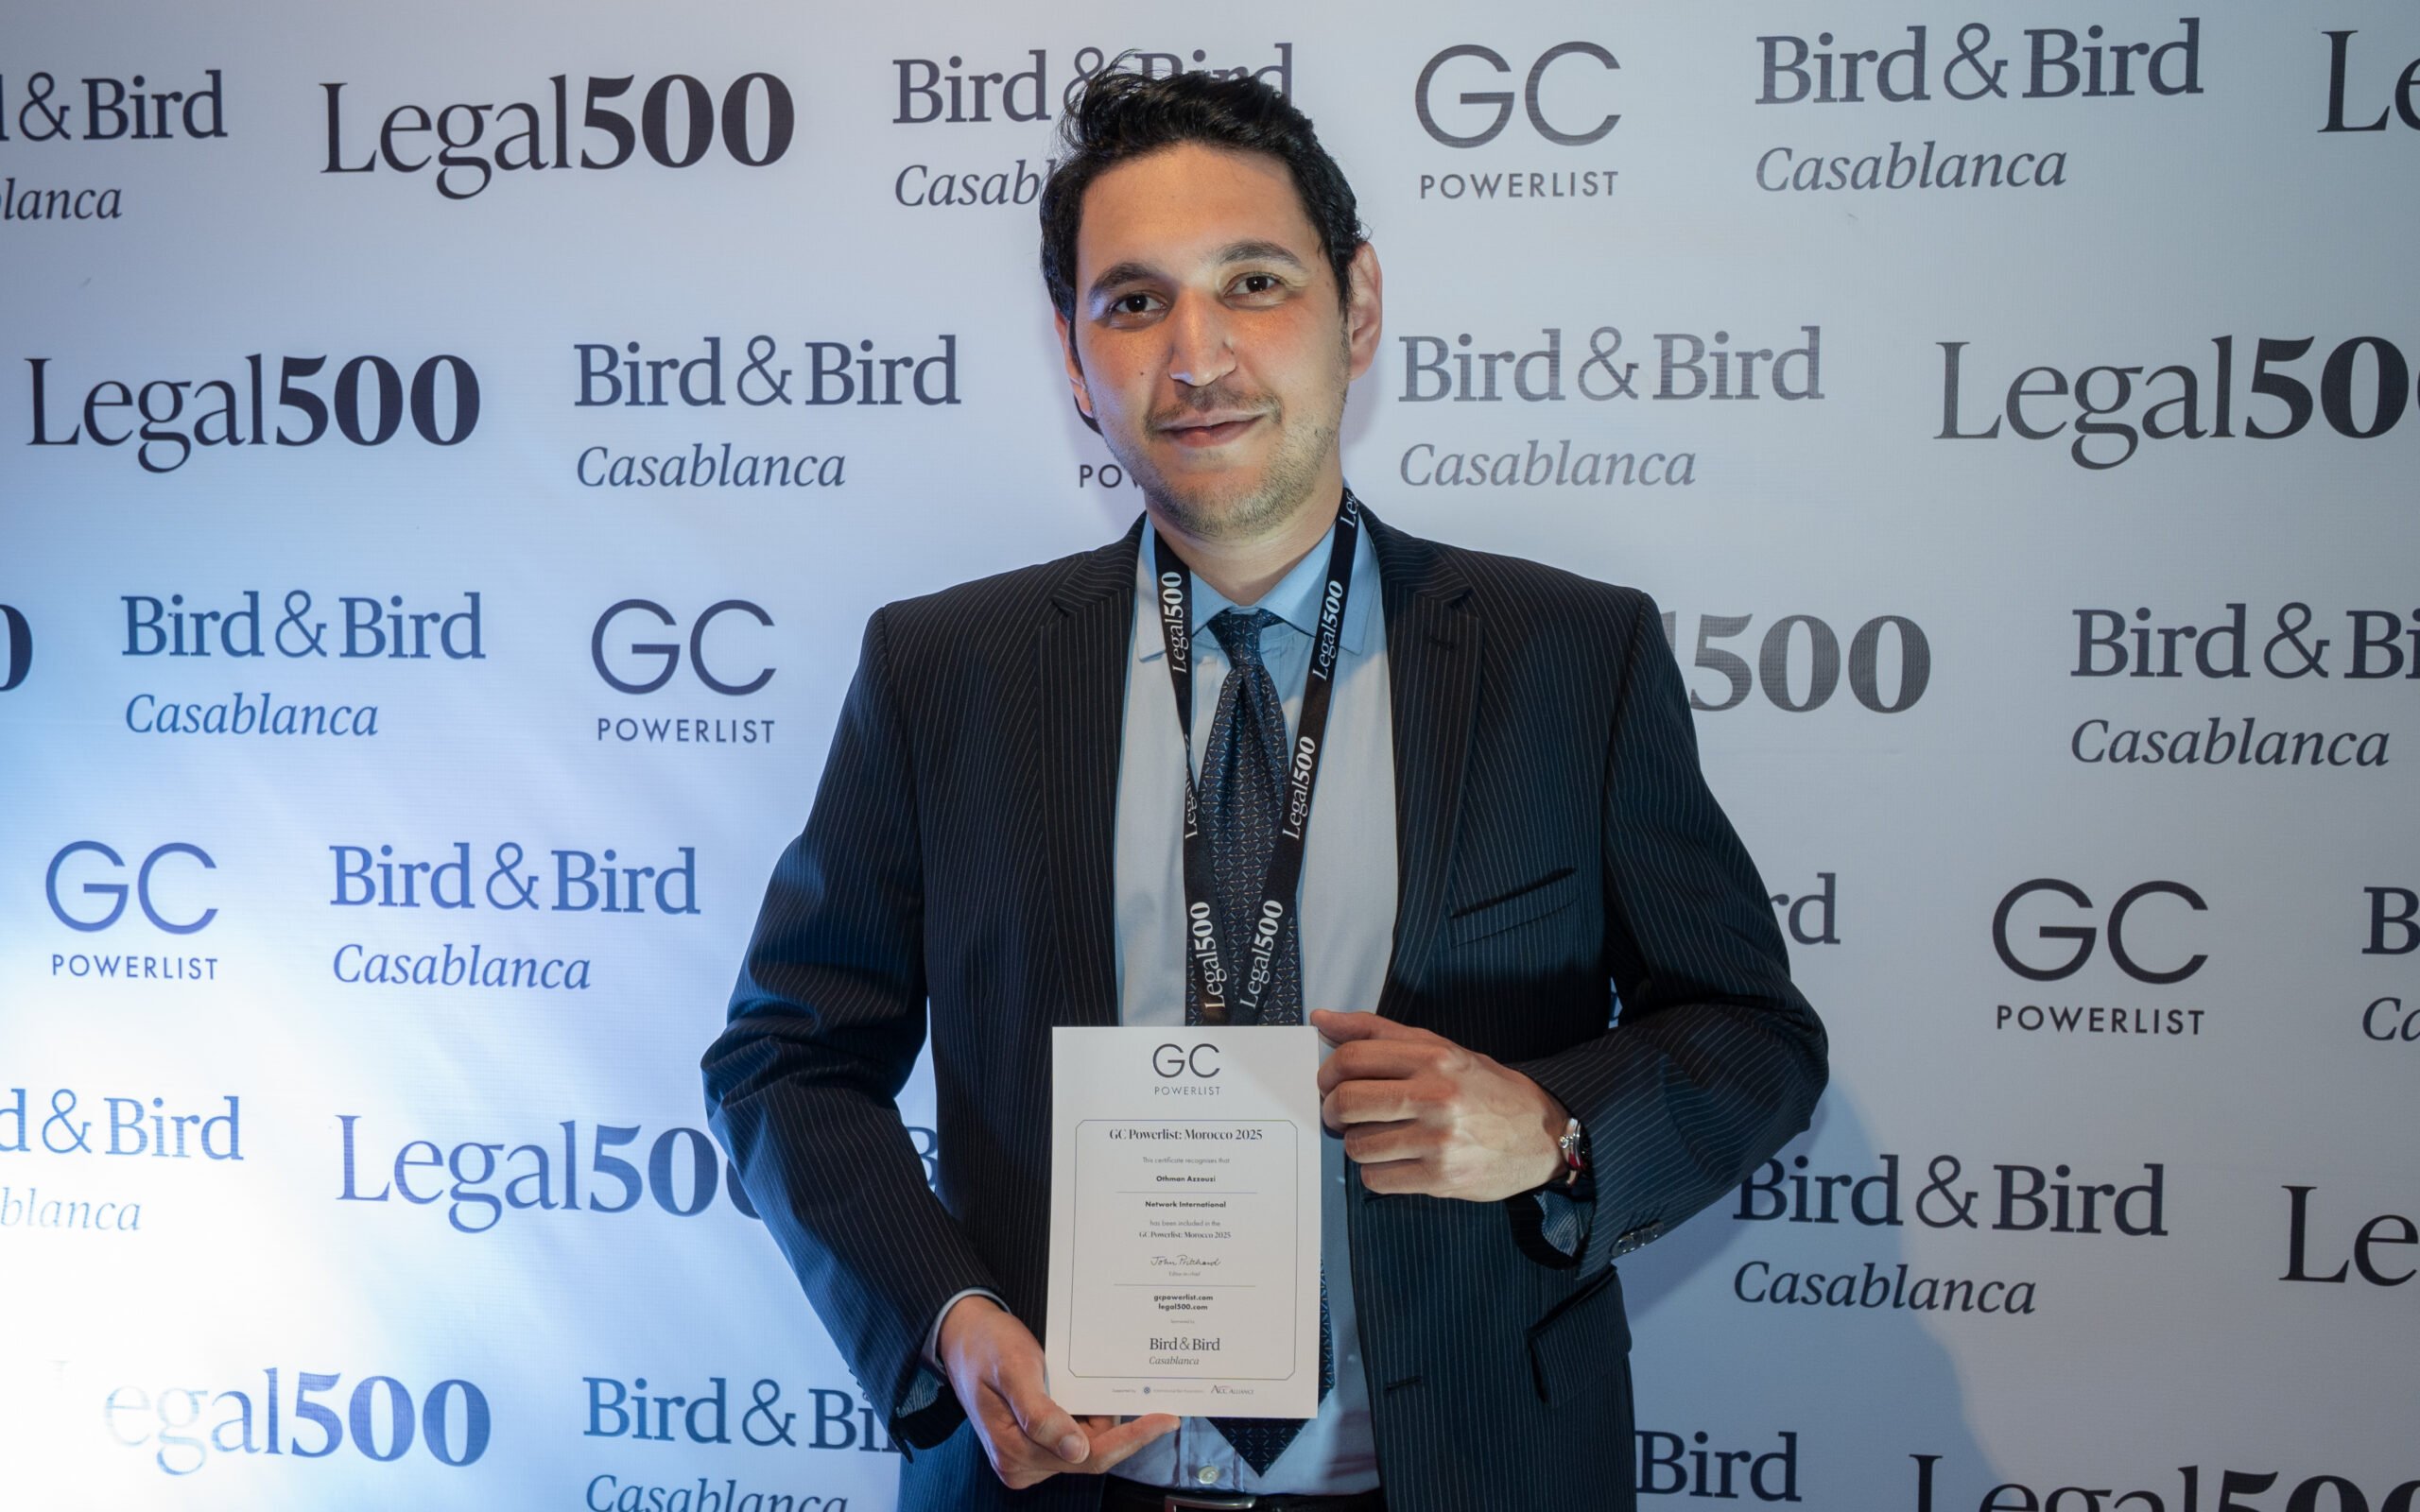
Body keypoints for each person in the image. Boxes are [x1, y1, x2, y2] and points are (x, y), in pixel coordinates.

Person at [702, 66, 1826, 1512]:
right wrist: (949, 1320)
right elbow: (787, 1061)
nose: (1198, 354)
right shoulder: (945, 671)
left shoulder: (1569, 657)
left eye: (1253, 282)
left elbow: (1752, 1036)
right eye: (1133, 301)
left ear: (1358, 307)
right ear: (1073, 359)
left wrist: (1554, 1128)